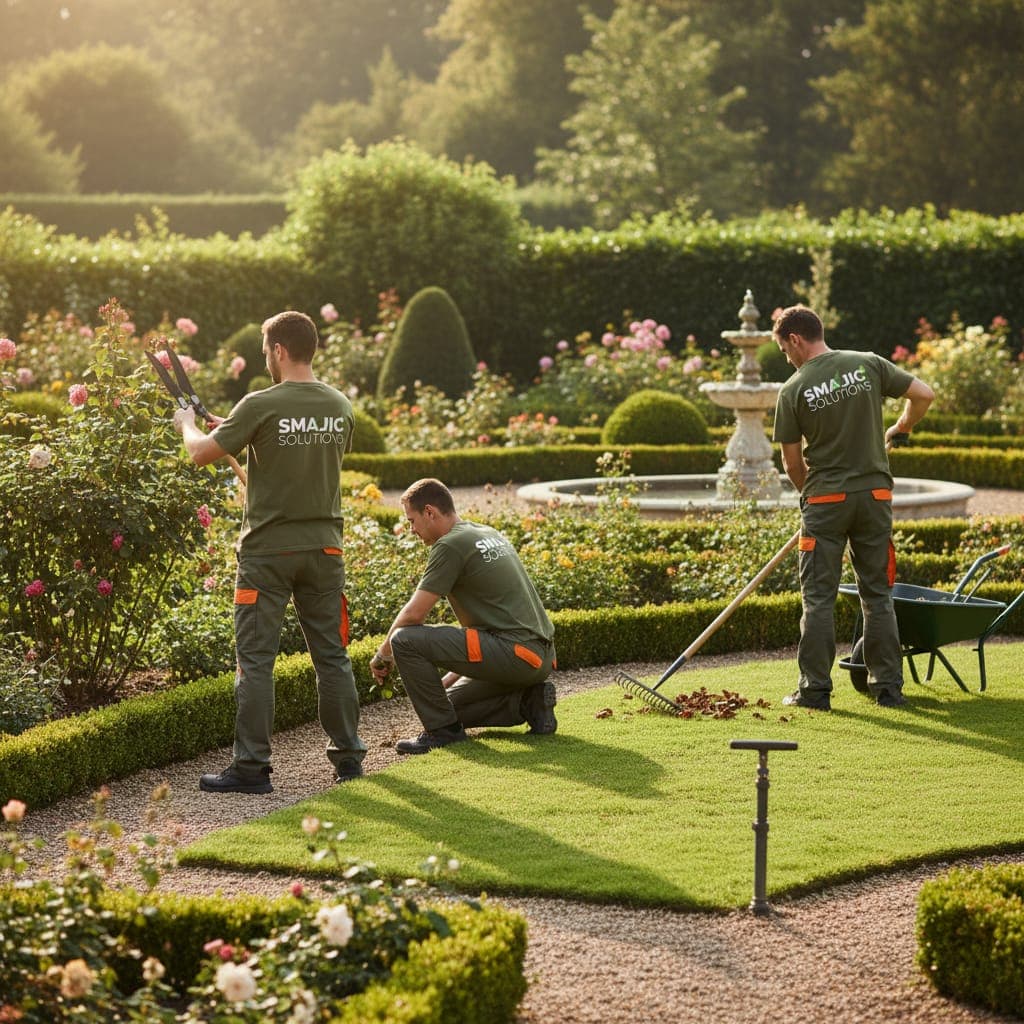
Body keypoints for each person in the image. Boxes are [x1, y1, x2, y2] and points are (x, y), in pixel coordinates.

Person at [173, 310, 366, 793]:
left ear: (279, 350)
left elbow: (199, 453)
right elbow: (302, 457)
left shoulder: (260, 403)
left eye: (267, 353)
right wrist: (237, 426)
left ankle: (252, 768)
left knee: (255, 661)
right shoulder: (340, 405)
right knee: (332, 656)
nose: (268, 361)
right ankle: (348, 760)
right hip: (325, 550)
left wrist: (186, 425)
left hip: (267, 554)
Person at [771, 304, 934, 710]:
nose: (786, 359)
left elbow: (793, 464)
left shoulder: (792, 389)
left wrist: (813, 500)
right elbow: (924, 394)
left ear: (794, 339)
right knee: (878, 595)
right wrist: (902, 427)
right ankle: (888, 690)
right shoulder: (868, 364)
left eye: (784, 350)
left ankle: (814, 692)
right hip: (876, 497)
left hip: (825, 499)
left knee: (819, 598)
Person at [370, 478, 557, 754]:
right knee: (446, 706)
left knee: (403, 640)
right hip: (538, 658)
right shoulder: (485, 532)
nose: (411, 529)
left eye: (412, 521)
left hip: (516, 655)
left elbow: (414, 614)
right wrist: (444, 684)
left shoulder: (449, 545)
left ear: (430, 512)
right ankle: (529, 702)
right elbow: (486, 632)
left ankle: (442, 732)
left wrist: (383, 655)